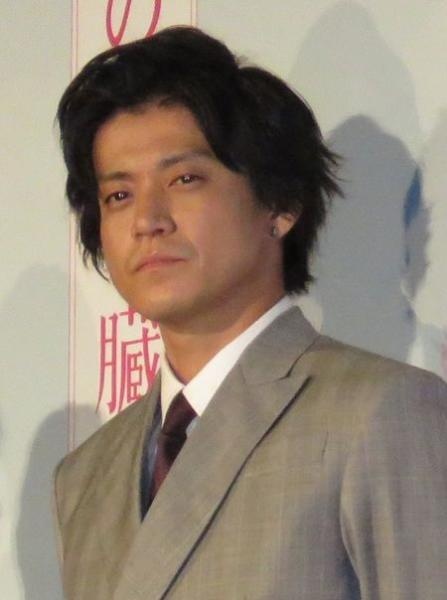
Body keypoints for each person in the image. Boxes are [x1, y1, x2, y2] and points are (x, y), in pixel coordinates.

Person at [54, 26, 447, 600]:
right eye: (119, 195)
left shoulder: (380, 413)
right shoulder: (86, 475)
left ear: (280, 204)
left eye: (185, 179)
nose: (148, 220)